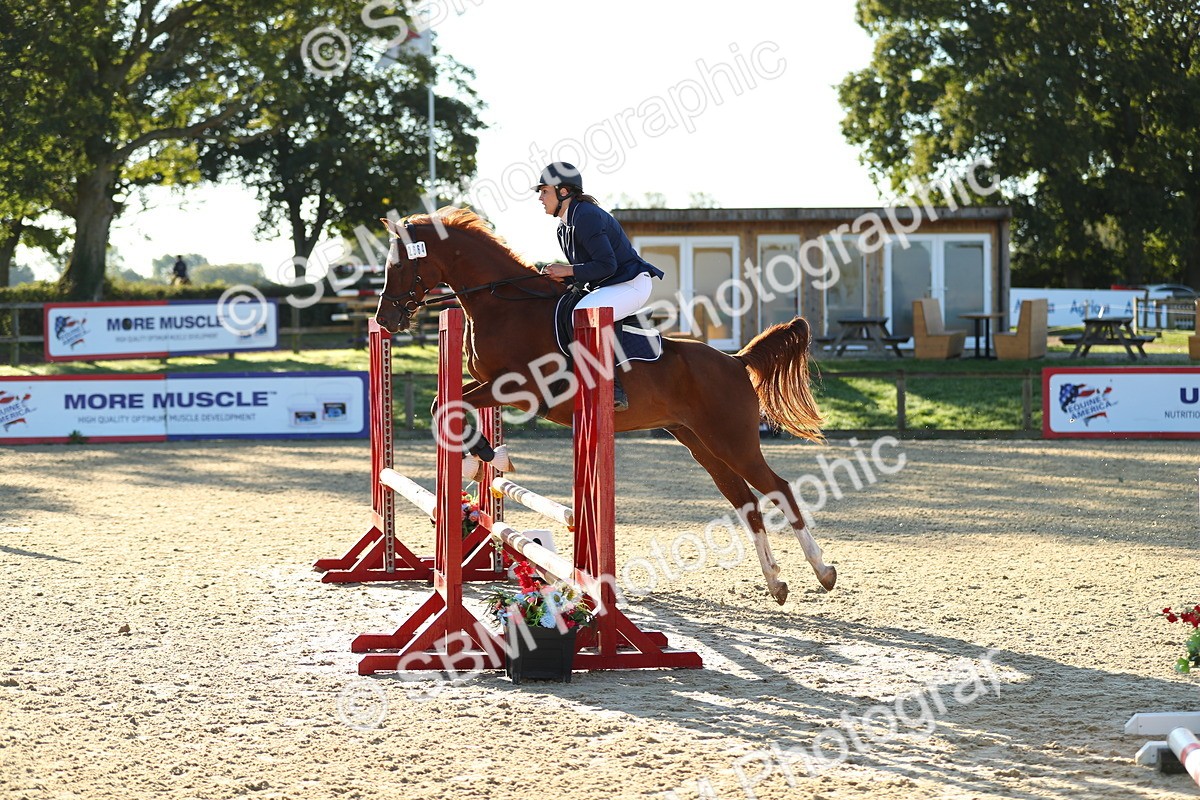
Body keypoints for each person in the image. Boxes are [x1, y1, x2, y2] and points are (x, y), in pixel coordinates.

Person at [534, 162, 664, 411]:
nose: (540, 198)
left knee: (586, 313)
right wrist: (563, 277)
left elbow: (607, 265)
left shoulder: (587, 216)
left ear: (563, 192)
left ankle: (612, 386)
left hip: (631, 283)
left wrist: (568, 270)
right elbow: (589, 271)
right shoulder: (564, 227)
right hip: (610, 284)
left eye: (544, 191)